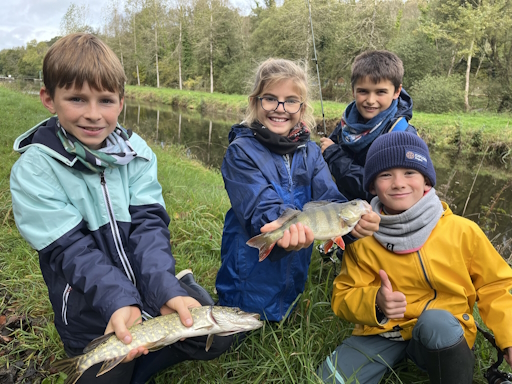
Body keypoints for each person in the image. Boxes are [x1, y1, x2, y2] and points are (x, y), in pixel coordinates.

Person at [9, 33, 231, 384]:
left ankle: (172, 294)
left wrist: (164, 289)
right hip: (88, 309)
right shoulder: (33, 170)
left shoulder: (138, 153)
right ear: (49, 99)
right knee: (105, 377)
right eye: (77, 99)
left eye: (106, 100)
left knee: (217, 333)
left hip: (146, 287)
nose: (94, 114)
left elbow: (149, 228)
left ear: (122, 101)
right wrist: (117, 302)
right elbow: (70, 251)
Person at [317, 132, 512, 384]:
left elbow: (495, 286)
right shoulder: (361, 236)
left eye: (410, 172)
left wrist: (508, 337)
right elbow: (343, 295)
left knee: (437, 323)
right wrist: (376, 302)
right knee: (328, 380)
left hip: (441, 331)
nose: (398, 183)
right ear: (372, 186)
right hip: (383, 331)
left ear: (427, 182)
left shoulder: (463, 230)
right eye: (386, 174)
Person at [215, 58, 380, 322]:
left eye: (291, 101)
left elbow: (331, 202)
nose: (280, 108)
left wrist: (353, 228)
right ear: (255, 102)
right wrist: (286, 227)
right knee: (240, 329)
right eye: (270, 99)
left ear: (302, 108)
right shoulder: (241, 151)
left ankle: (282, 311)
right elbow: (259, 208)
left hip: (293, 276)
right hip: (246, 273)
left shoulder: (312, 152)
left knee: (281, 325)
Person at [320, 50, 417, 203]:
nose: (371, 100)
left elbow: (378, 188)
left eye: (381, 92)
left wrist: (335, 156)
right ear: (353, 91)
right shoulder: (348, 121)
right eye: (363, 91)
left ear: (396, 91)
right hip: (344, 209)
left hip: (379, 216)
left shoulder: (402, 136)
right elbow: (326, 150)